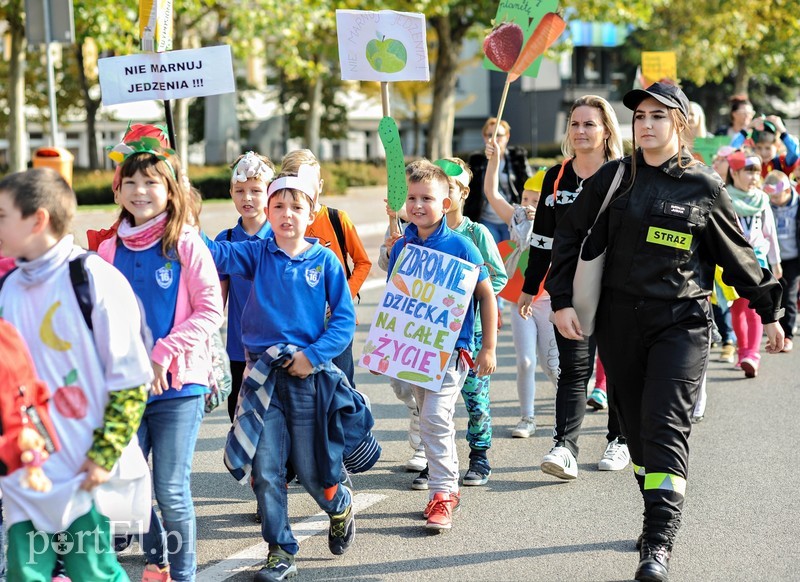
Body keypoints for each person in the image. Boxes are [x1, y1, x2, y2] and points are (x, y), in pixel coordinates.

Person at [546, 82, 784, 581]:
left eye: (658, 115)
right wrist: (562, 301)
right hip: (618, 322)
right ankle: (656, 508)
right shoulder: (615, 178)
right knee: (635, 435)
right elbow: (567, 235)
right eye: (639, 116)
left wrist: (770, 313)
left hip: (682, 324)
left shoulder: (703, 186)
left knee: (664, 427)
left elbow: (739, 256)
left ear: (680, 123)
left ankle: (658, 542)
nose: (646, 124)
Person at [203, 166, 371, 581]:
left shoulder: (325, 261)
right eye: (278, 205)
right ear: (268, 209)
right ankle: (280, 550)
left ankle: (339, 505)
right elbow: (211, 252)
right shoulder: (256, 253)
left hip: (308, 377)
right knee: (267, 471)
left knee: (314, 470)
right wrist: (181, 214)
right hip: (262, 377)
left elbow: (343, 323)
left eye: (296, 206)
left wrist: (312, 357)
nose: (286, 213)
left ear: (311, 211)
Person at [0, 168, 153, 580]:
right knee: (24, 572)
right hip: (28, 475)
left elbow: (132, 378)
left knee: (93, 572)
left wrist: (103, 456)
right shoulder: (8, 288)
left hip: (86, 474)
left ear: (37, 220)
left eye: (2, 215)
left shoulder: (94, 280)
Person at [98, 133, 224, 581]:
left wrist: (162, 354)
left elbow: (212, 309)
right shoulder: (107, 251)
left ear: (170, 189)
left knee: (170, 490)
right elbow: (101, 318)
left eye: (150, 182)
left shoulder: (186, 243)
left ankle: (183, 575)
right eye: (129, 182)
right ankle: (156, 562)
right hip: (125, 387)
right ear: (117, 190)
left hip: (179, 384)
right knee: (130, 487)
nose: (139, 191)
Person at [518, 95, 629, 478]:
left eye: (589, 124)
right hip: (569, 290)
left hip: (618, 288)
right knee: (573, 368)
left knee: (616, 366)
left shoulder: (624, 174)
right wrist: (531, 286)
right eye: (575, 124)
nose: (580, 131)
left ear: (606, 131)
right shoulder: (556, 177)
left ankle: (620, 439)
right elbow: (542, 238)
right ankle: (564, 447)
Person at [385, 159, 498, 531]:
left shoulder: (463, 246)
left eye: (427, 198)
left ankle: (444, 492)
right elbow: (397, 300)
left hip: (452, 351)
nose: (418, 205)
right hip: (414, 351)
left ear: (445, 203)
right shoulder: (403, 246)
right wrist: (386, 347)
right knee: (429, 417)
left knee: (435, 417)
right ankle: (443, 482)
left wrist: (489, 348)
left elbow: (487, 296)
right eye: (413, 198)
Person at [483, 147, 560, 438]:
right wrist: (495, 159)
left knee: (553, 365)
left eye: (536, 200)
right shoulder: (515, 219)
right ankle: (527, 418)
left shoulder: (559, 224)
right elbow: (492, 193)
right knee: (525, 360)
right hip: (520, 300)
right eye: (526, 198)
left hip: (550, 301)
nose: (528, 204)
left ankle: (565, 412)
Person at [283, 149, 373, 388]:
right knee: (304, 387)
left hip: (337, 321)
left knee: (341, 384)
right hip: (299, 321)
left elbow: (363, 263)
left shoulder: (337, 218)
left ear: (319, 185)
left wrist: (343, 299)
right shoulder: (282, 223)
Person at [215, 151, 275, 422]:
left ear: (269, 192)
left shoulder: (282, 235)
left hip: (278, 348)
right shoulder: (225, 239)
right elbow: (217, 302)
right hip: (239, 351)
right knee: (239, 421)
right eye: (239, 190)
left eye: (255, 190)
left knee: (276, 424)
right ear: (230, 192)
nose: (247, 198)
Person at [725, 150, 782, 377]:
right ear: (734, 172)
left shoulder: (762, 200)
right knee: (737, 309)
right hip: (732, 259)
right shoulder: (725, 198)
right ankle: (743, 352)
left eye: (756, 172)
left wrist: (775, 263)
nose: (754, 177)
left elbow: (771, 233)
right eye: (748, 171)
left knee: (756, 310)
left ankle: (752, 355)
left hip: (758, 260)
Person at [464, 117, 532, 245]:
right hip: (486, 219)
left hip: (511, 217)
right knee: (491, 255)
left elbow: (530, 184)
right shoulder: (476, 160)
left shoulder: (517, 157)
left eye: (499, 135)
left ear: (507, 136)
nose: (494, 139)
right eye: (490, 135)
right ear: (484, 137)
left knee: (512, 257)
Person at [764, 170, 799, 352]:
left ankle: (788, 335)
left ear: (787, 190)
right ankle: (771, 327)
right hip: (771, 258)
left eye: (777, 197)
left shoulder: (798, 204)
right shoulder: (766, 205)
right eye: (771, 197)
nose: (774, 200)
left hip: (792, 258)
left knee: (789, 296)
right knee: (769, 295)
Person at [730, 115, 799, 178]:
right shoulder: (750, 162)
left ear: (777, 146)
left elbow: (794, 152)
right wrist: (748, 127)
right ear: (753, 146)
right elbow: (732, 151)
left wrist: (782, 131)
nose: (763, 153)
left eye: (768, 148)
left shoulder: (782, 162)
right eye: (759, 148)